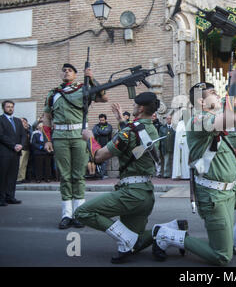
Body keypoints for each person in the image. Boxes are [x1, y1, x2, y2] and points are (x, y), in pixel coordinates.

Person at [151, 60, 236, 266]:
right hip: (214, 197)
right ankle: (166, 234)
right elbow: (230, 118)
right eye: (213, 93)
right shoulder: (195, 120)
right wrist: (235, 84)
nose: (218, 95)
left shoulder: (216, 122)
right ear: (201, 102)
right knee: (221, 257)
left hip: (233, 189)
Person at [74, 93, 187, 264]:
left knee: (82, 212)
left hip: (130, 194)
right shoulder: (150, 128)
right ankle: (168, 229)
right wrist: (121, 120)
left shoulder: (130, 131)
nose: (133, 107)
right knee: (137, 240)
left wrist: (89, 138)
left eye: (135, 104)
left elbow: (98, 156)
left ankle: (126, 240)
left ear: (140, 108)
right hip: (146, 194)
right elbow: (134, 135)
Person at [43, 63, 108, 229]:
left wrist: (92, 78)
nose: (66, 72)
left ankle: (79, 214)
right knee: (64, 176)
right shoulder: (53, 93)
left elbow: (103, 97)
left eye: (70, 70)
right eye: (64, 70)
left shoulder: (83, 89)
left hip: (79, 136)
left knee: (78, 175)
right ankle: (66, 214)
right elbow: (47, 118)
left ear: (76, 75)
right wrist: (48, 140)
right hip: (59, 138)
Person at [0, 100, 26, 206]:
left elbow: (23, 135)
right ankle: (1, 199)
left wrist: (21, 145)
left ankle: (10, 196)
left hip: (16, 153)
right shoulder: (0, 120)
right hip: (4, 152)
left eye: (12, 107)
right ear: (3, 108)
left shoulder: (18, 121)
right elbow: (1, 136)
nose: (10, 108)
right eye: (8, 107)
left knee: (12, 176)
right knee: (2, 176)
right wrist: (13, 145)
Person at [92, 114, 113, 179]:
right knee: (97, 160)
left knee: (104, 161)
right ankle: (100, 174)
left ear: (105, 119)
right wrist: (100, 132)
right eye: (100, 120)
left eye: (103, 120)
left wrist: (99, 131)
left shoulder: (109, 126)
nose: (101, 121)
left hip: (106, 145)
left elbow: (105, 133)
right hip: (97, 145)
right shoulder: (96, 126)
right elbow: (94, 132)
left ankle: (101, 175)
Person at [17, 117, 31, 183]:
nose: (24, 123)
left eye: (25, 122)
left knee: (24, 165)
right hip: (21, 149)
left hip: (27, 149)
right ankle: (18, 179)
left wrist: (27, 128)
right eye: (23, 121)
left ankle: (22, 178)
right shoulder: (18, 129)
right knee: (20, 164)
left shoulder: (27, 130)